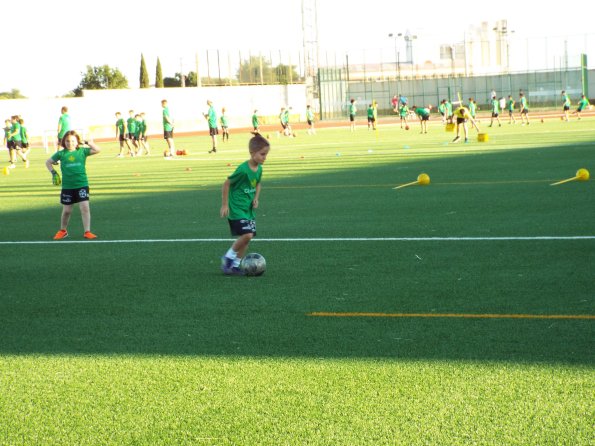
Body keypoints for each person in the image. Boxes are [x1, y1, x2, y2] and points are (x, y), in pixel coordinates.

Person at [219, 133, 270, 275]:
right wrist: (224, 205)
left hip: (248, 209)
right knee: (247, 235)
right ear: (252, 153)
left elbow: (258, 183)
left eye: (266, 154)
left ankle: (235, 266)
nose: (265, 157)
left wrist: (256, 198)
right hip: (237, 208)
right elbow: (227, 184)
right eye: (262, 154)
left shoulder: (259, 168)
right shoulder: (243, 170)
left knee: (247, 239)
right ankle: (228, 258)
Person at [45, 130, 100, 240]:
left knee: (84, 208)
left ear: (77, 141)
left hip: (81, 184)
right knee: (67, 211)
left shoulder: (82, 151)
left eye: (73, 141)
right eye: (67, 141)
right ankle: (63, 231)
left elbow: (97, 150)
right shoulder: (61, 153)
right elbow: (48, 162)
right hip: (67, 186)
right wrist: (53, 173)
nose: (70, 143)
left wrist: (87, 142)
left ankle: (87, 231)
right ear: (64, 142)